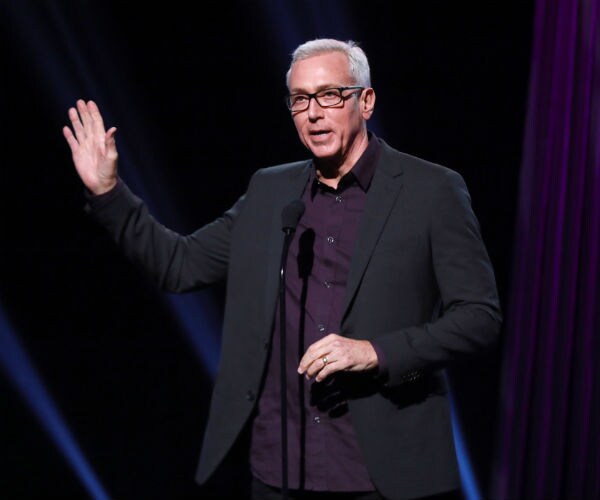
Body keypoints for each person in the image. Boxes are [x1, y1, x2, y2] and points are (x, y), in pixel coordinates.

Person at [63, 38, 502, 500]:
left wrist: (376, 352)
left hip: (383, 472)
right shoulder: (271, 192)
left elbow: (479, 316)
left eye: (330, 95)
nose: (314, 113)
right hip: (279, 471)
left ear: (366, 101)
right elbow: (179, 264)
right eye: (300, 100)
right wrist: (108, 192)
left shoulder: (431, 190)